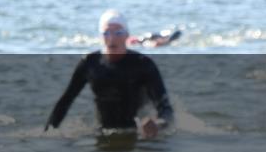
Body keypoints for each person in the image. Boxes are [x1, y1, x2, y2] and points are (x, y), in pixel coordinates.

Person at [45, 10, 174, 139]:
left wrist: (157, 125)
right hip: (103, 133)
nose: (112, 38)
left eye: (118, 33)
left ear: (127, 36)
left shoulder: (143, 64)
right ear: (100, 37)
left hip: (139, 135)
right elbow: (65, 100)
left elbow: (165, 108)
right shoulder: (90, 63)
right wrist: (48, 134)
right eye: (106, 33)